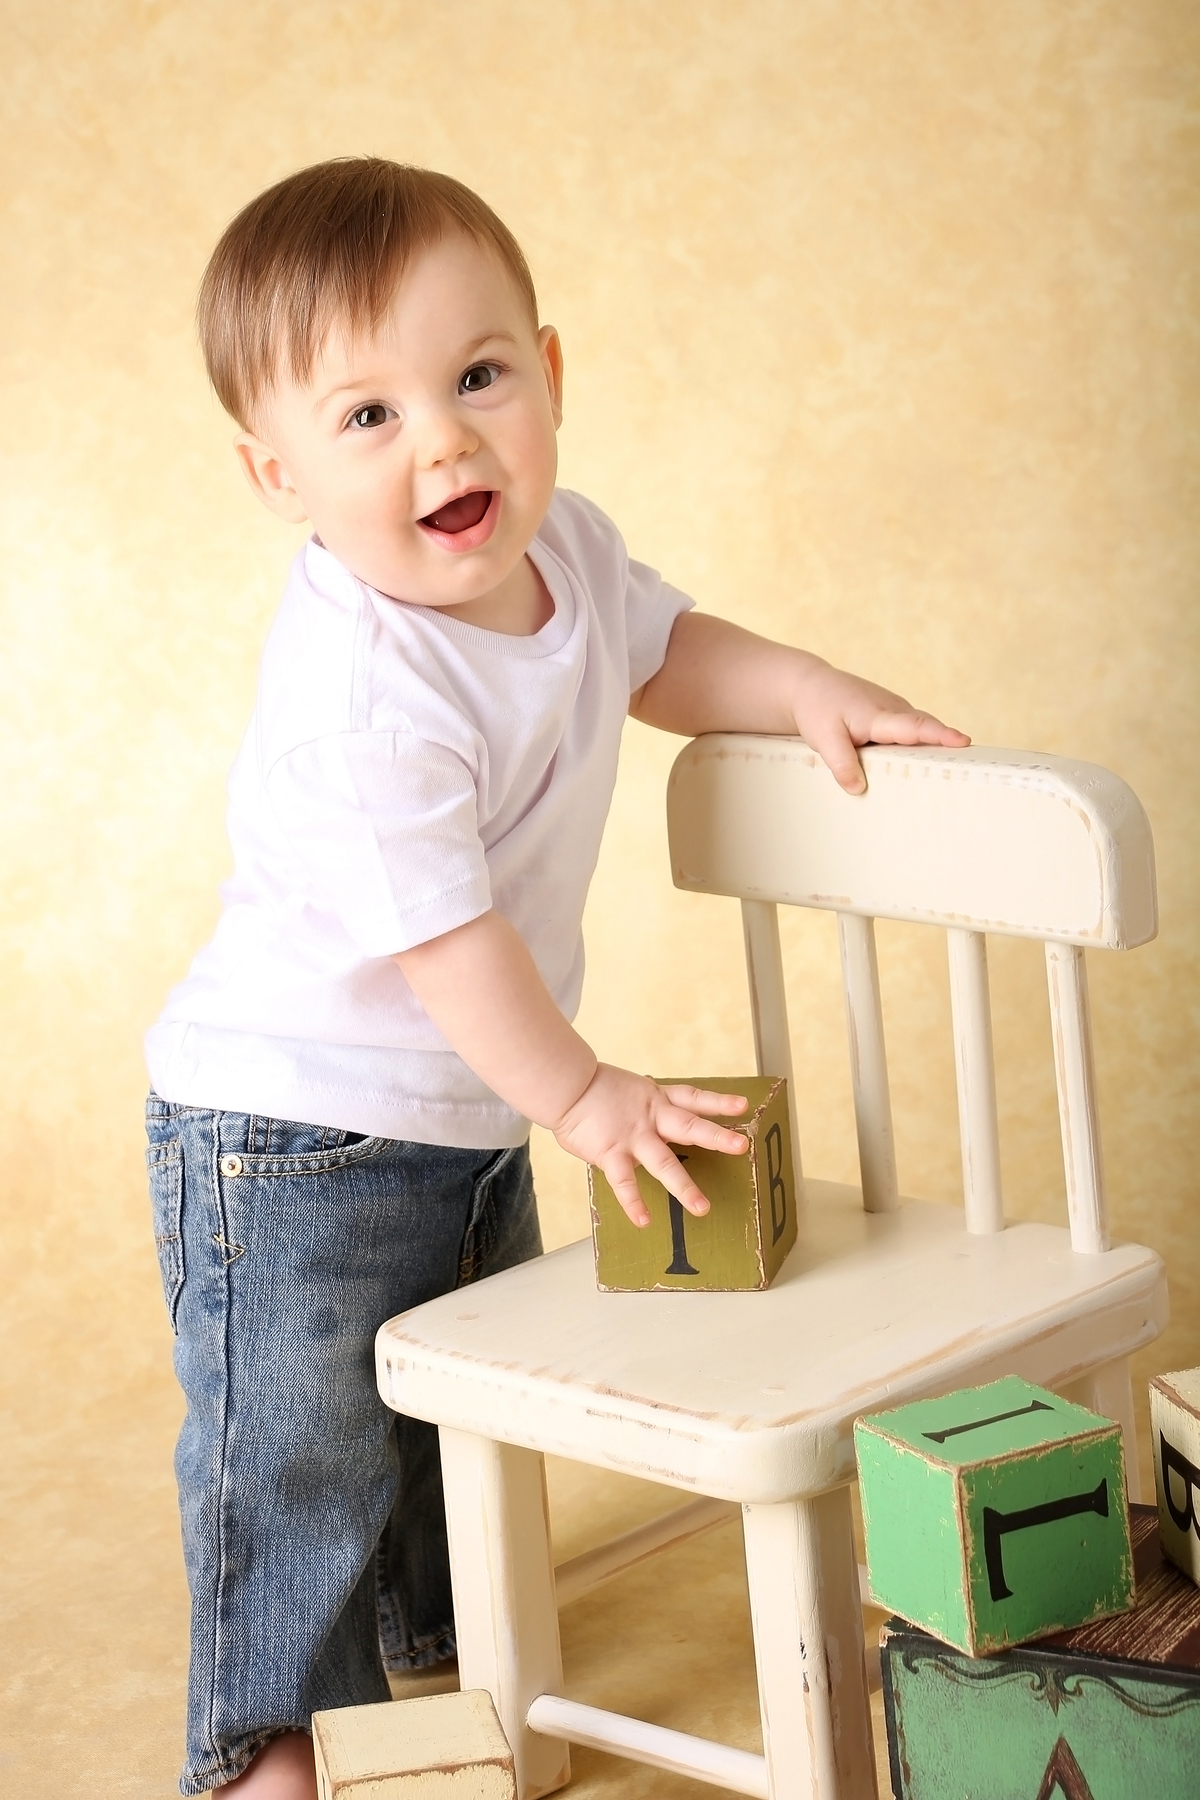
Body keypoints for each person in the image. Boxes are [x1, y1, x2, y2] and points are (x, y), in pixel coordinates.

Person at [145, 157, 968, 1798]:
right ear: (279, 474)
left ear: (552, 372)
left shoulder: (568, 553)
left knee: (452, 1411)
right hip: (285, 1134)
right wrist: (585, 1097)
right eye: (367, 416)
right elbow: (450, 943)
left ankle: (448, 1626)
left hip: (462, 1108)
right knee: (296, 1449)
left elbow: (662, 652)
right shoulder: (362, 691)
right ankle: (265, 1735)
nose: (444, 443)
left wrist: (801, 687)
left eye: (477, 376)